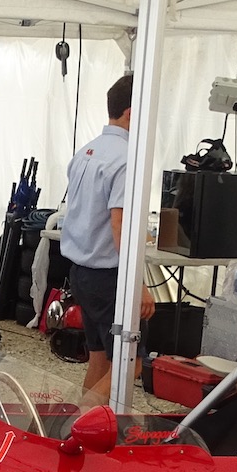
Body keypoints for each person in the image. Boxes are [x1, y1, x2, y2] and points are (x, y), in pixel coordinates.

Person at [60, 73, 155, 399]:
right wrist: (138, 285)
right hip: (108, 277)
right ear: (131, 113)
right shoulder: (127, 159)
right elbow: (120, 225)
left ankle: (78, 423)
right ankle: (83, 420)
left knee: (100, 360)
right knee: (130, 363)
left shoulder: (87, 151)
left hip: (82, 271)